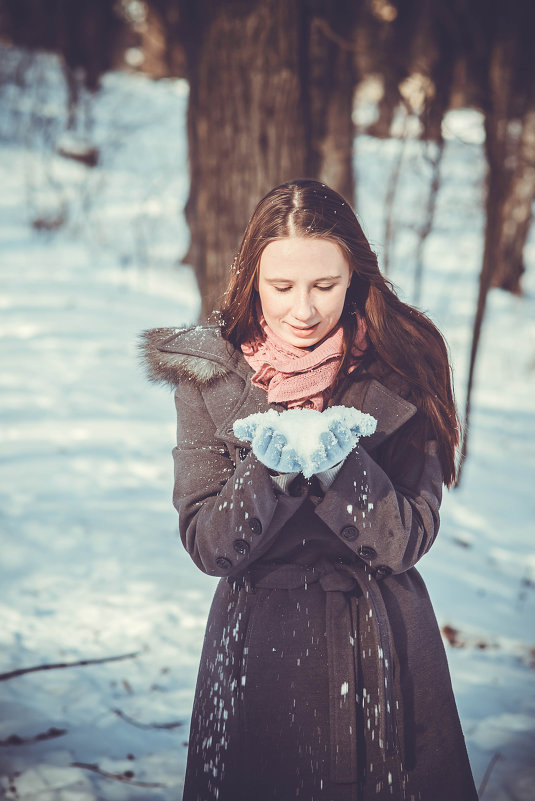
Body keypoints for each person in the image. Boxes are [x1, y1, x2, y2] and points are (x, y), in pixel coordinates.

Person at [141, 179, 478, 801]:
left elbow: (409, 537)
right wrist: (265, 474)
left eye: (325, 285)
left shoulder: (407, 360)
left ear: (355, 276)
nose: (303, 309)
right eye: (282, 287)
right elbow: (209, 546)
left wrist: (339, 471)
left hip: (384, 640)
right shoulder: (209, 374)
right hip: (262, 646)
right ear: (252, 280)